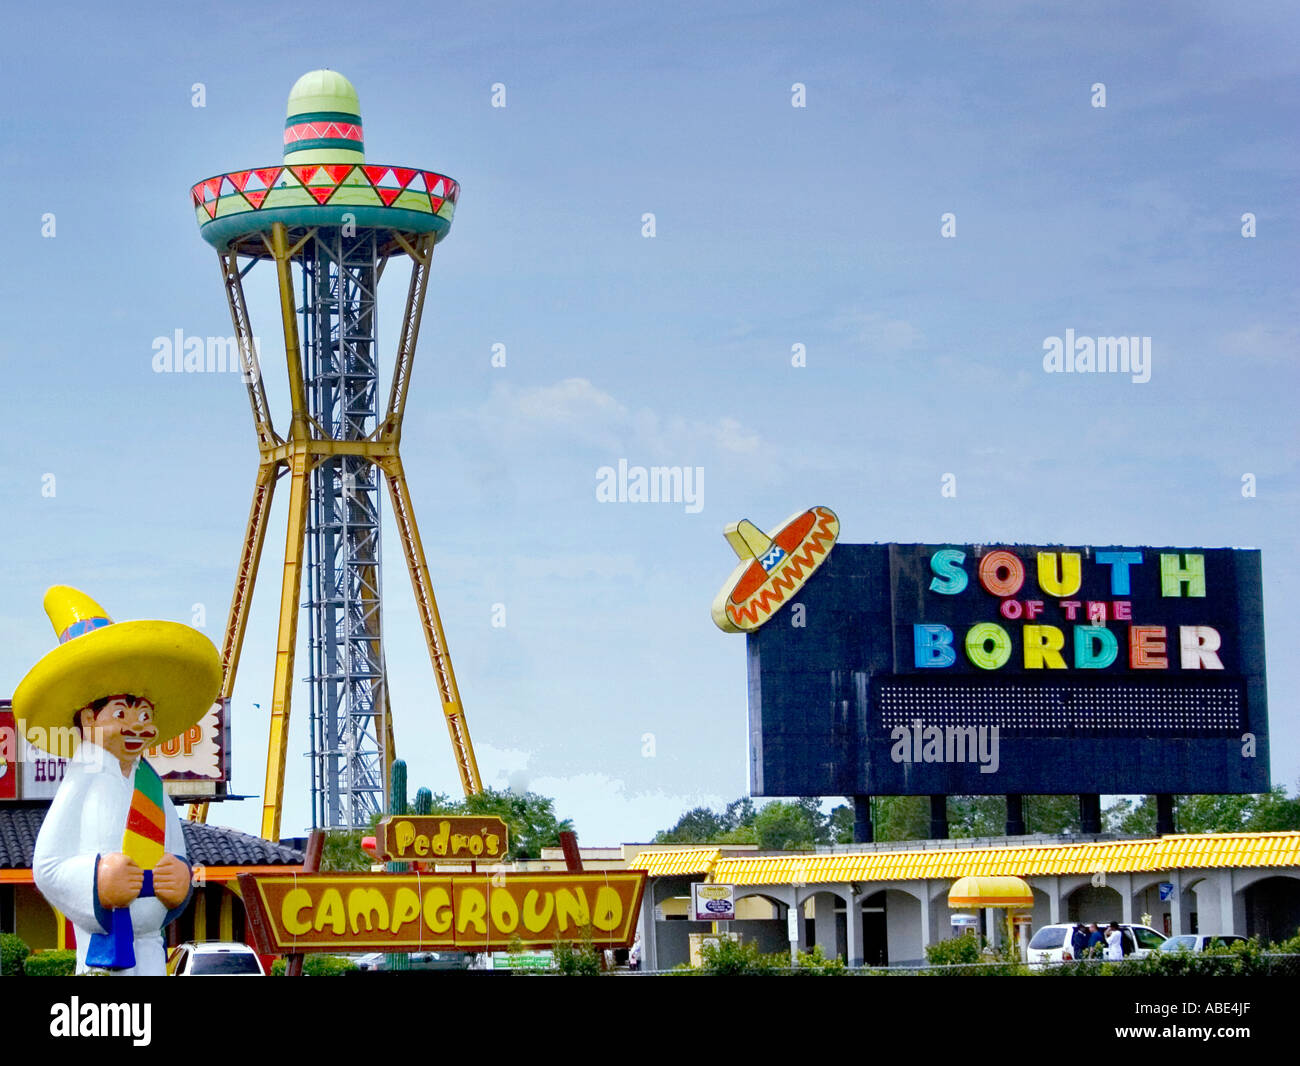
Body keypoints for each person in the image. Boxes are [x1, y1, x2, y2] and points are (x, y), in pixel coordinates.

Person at [14, 586, 221, 975]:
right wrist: (97, 880)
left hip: (152, 947)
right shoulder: (82, 779)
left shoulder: (153, 786)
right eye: (121, 713)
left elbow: (177, 852)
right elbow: (48, 865)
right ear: (90, 719)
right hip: (102, 948)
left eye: (144, 714)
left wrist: (180, 878)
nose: (137, 726)